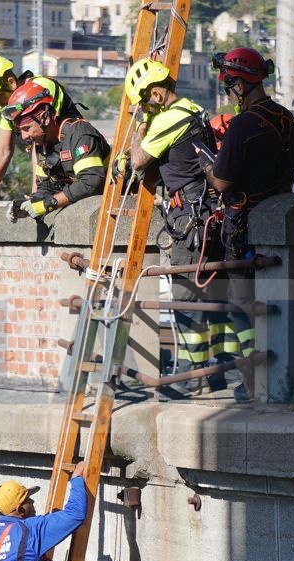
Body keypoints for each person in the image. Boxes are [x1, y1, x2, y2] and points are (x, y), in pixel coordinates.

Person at [120, 57, 227, 393]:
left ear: (154, 94)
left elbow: (138, 160)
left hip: (190, 220)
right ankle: (219, 371)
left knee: (185, 294)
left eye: (143, 102)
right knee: (213, 293)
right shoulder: (192, 109)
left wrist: (139, 130)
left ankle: (193, 374)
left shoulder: (170, 118)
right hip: (205, 214)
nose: (142, 108)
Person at [205, 47, 294, 395]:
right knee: (268, 304)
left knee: (241, 307)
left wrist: (207, 166)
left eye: (229, 87)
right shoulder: (286, 118)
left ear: (240, 86)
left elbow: (223, 181)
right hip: (278, 213)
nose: (229, 94)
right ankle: (264, 376)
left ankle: (251, 380)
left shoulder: (244, 123)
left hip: (243, 227)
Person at [0, 53, 83, 231]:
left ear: (11, 82)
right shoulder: (6, 108)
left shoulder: (41, 88)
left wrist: (37, 194)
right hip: (55, 171)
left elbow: (41, 141)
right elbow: (3, 150)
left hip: (75, 161)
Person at [4, 80, 110, 223]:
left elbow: (90, 181)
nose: (24, 137)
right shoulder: (43, 141)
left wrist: (49, 204)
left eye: (26, 128)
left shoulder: (79, 134)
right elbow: (48, 186)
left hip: (117, 203)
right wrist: (29, 205)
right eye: (19, 131)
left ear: (45, 118)